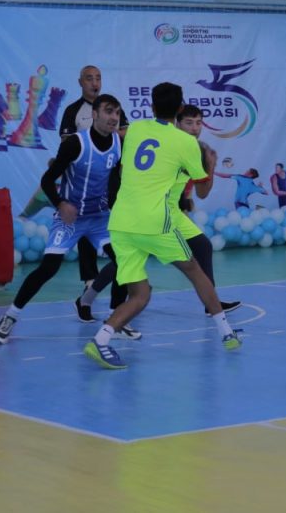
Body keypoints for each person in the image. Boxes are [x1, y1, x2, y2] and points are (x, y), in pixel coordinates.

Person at [84, 82, 243, 370]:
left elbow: (123, 147)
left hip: (121, 222)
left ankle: (101, 340)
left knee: (141, 294)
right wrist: (209, 164)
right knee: (194, 270)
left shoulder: (136, 130)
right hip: (155, 220)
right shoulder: (186, 144)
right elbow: (202, 187)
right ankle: (227, 333)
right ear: (180, 109)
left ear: (151, 106)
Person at [0, 94, 124, 343]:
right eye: (108, 111)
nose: (114, 117)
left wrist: (116, 207)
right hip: (71, 217)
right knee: (49, 268)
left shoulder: (119, 143)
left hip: (99, 218)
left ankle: (114, 319)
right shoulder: (75, 144)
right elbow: (47, 179)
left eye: (117, 113)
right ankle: (10, 316)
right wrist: (61, 204)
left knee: (125, 262)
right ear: (94, 114)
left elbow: (115, 180)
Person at [58, 64, 130, 314]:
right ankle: (90, 279)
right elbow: (67, 145)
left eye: (98, 78)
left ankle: (121, 294)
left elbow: (125, 134)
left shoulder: (113, 108)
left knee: (118, 233)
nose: (94, 82)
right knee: (86, 227)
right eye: (89, 78)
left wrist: (111, 130)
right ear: (80, 82)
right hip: (83, 180)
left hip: (110, 175)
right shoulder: (72, 111)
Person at [174, 105, 241, 315]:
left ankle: (211, 305)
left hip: (173, 213)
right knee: (126, 261)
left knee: (203, 247)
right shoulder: (170, 145)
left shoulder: (200, 150)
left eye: (198, 123)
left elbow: (202, 193)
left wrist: (210, 167)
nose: (195, 128)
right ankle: (92, 299)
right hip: (153, 210)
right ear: (177, 123)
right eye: (189, 123)